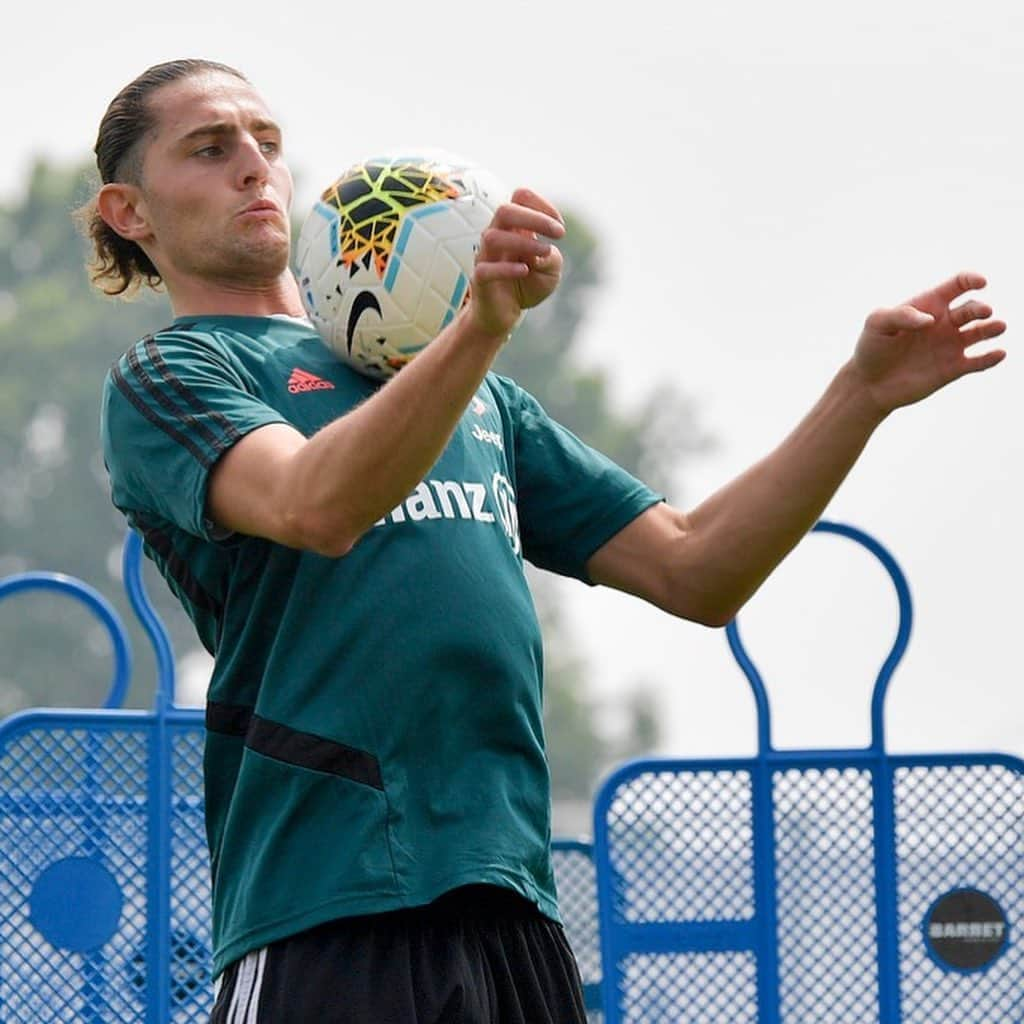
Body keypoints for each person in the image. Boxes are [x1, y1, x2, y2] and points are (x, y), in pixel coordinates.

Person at [85, 58, 1006, 1024]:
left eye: (267, 144)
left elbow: (696, 568)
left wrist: (859, 397)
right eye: (209, 147)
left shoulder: (468, 392)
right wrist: (479, 325)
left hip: (512, 908)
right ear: (129, 211)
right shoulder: (172, 374)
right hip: (327, 907)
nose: (254, 167)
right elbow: (318, 503)